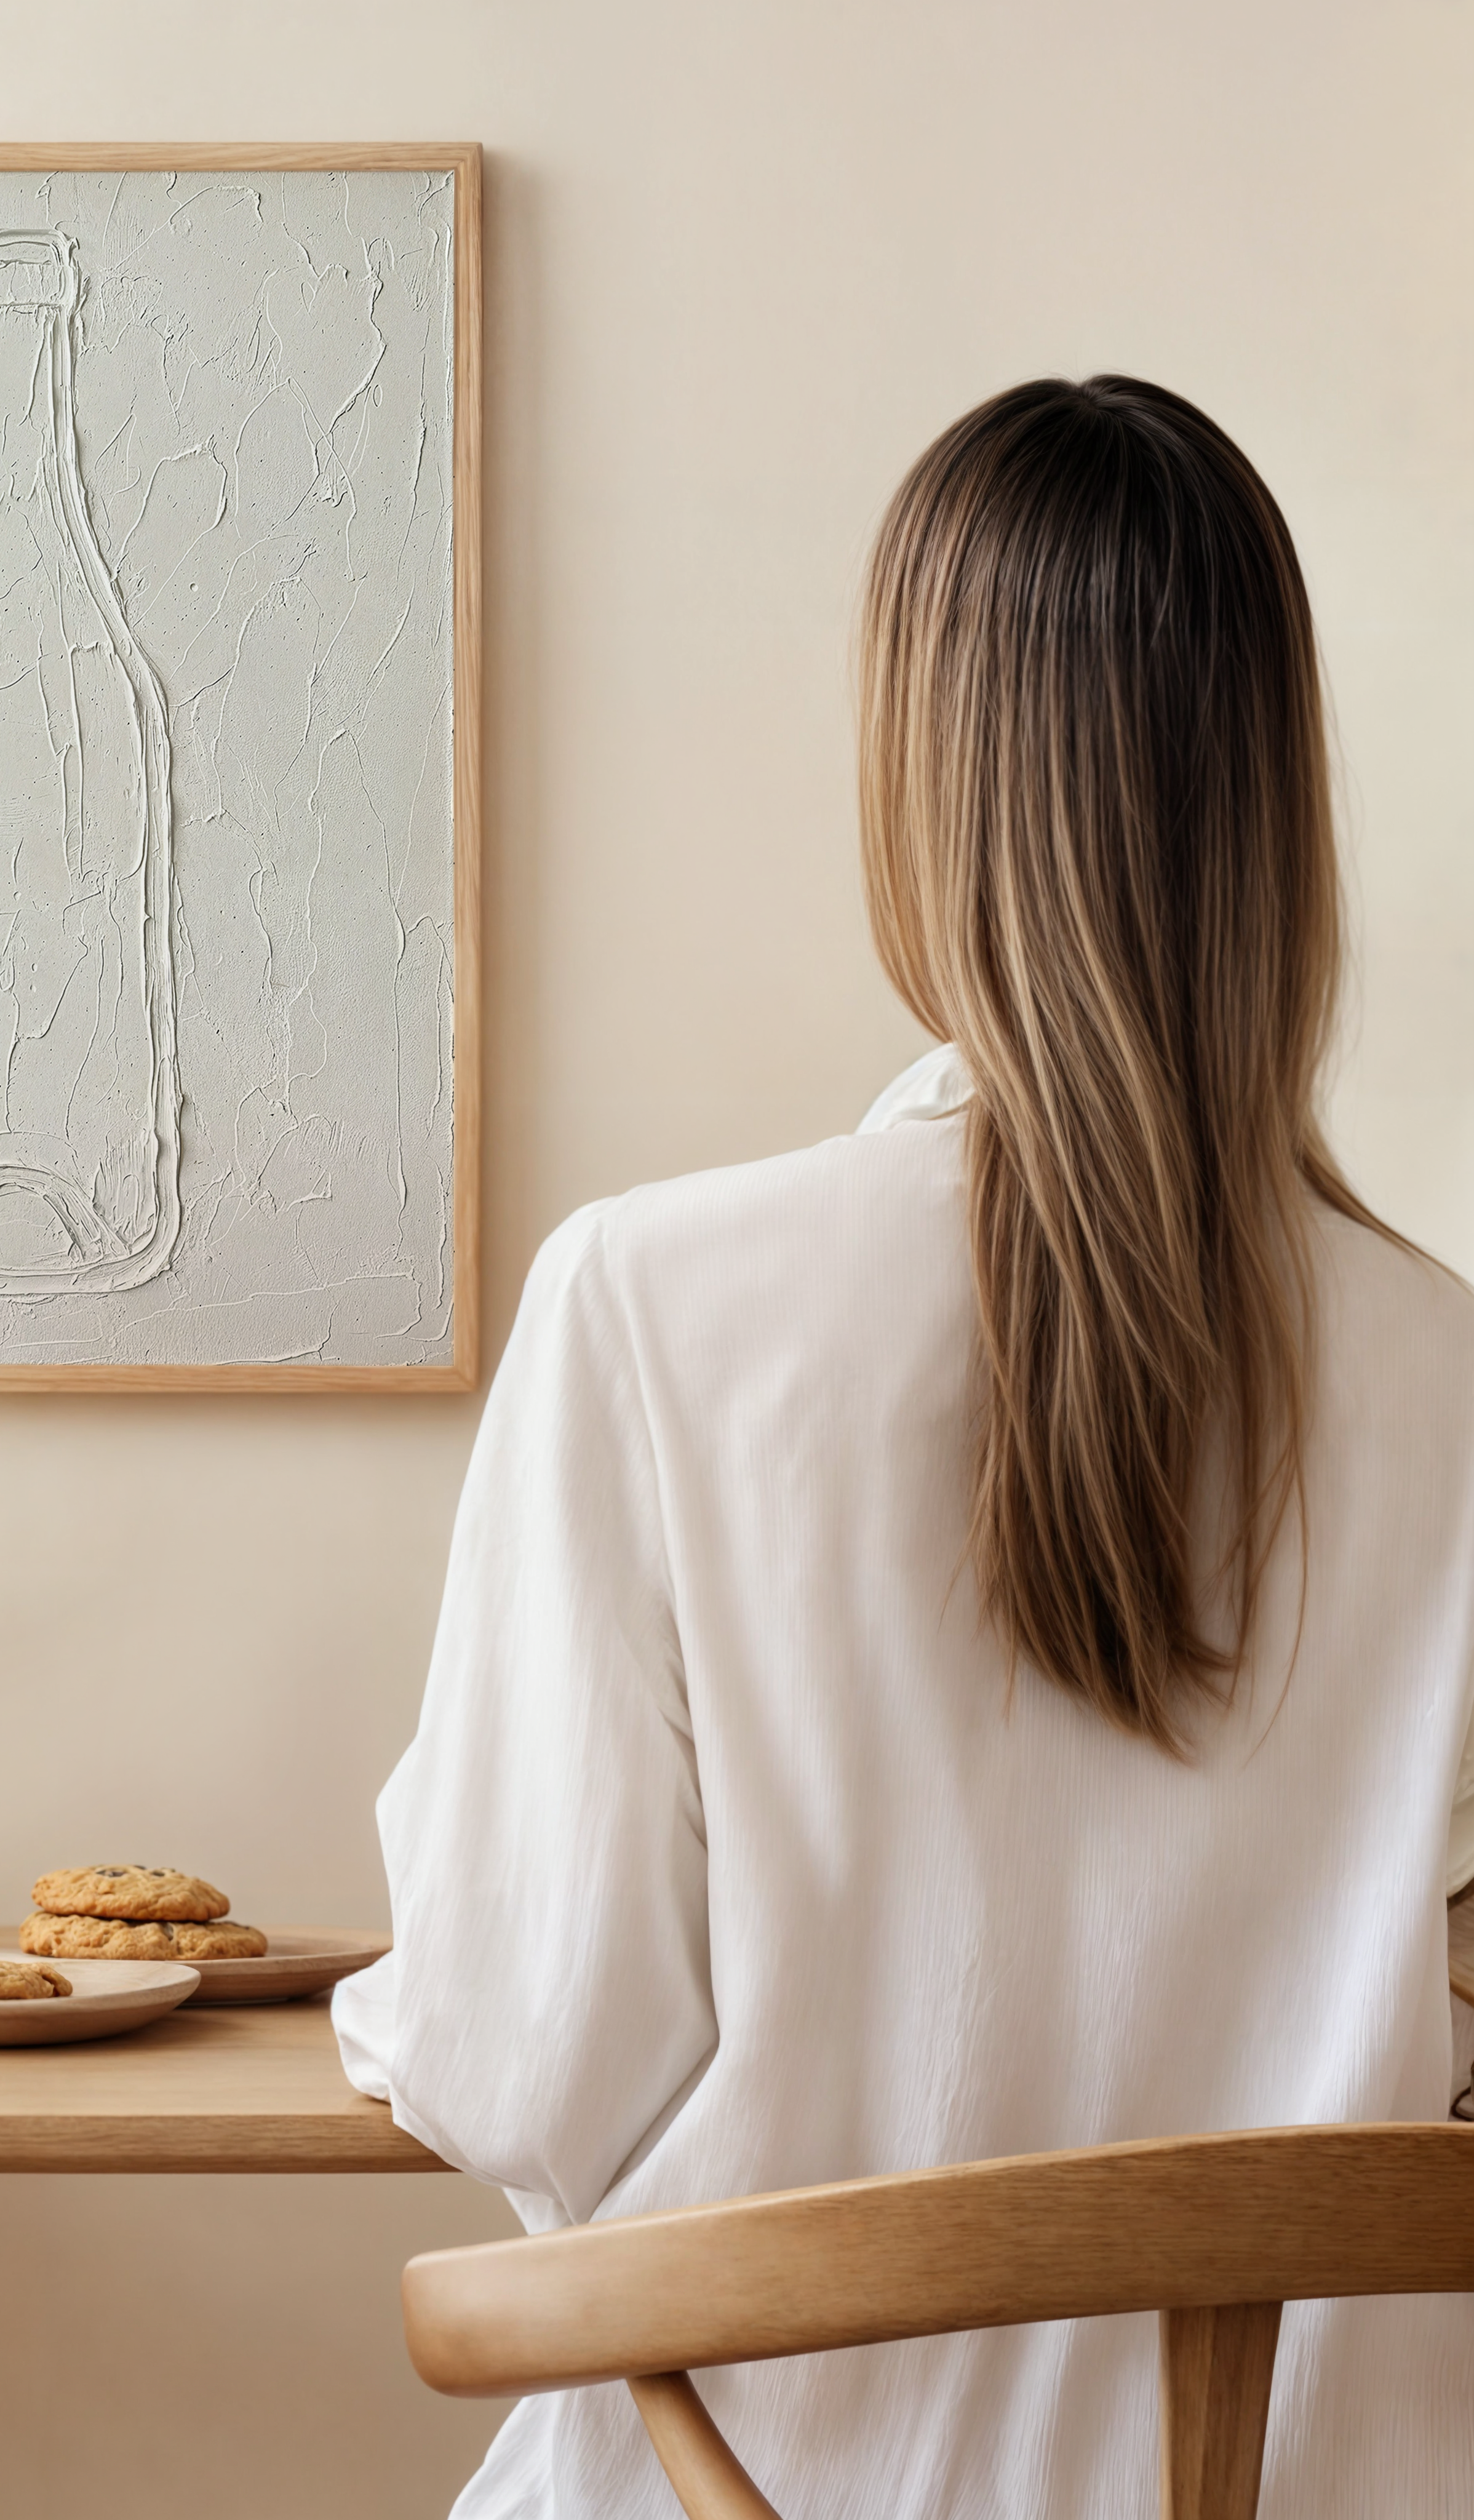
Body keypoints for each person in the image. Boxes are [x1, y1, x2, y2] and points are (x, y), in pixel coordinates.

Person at [335, 375, 1474, 2518]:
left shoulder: (650, 1310)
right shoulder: (1454, 1385)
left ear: (914, 788)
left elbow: (515, 2055)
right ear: (1279, 808)